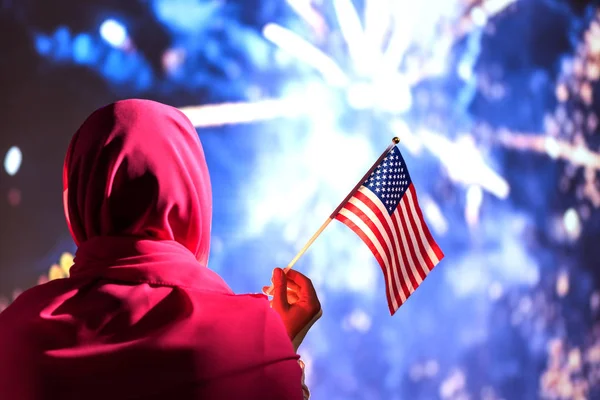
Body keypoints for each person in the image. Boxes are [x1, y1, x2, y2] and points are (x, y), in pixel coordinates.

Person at [0, 99, 322, 399]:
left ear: (79, 193)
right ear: (193, 192)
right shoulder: (253, 344)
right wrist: (275, 353)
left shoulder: (15, 335)